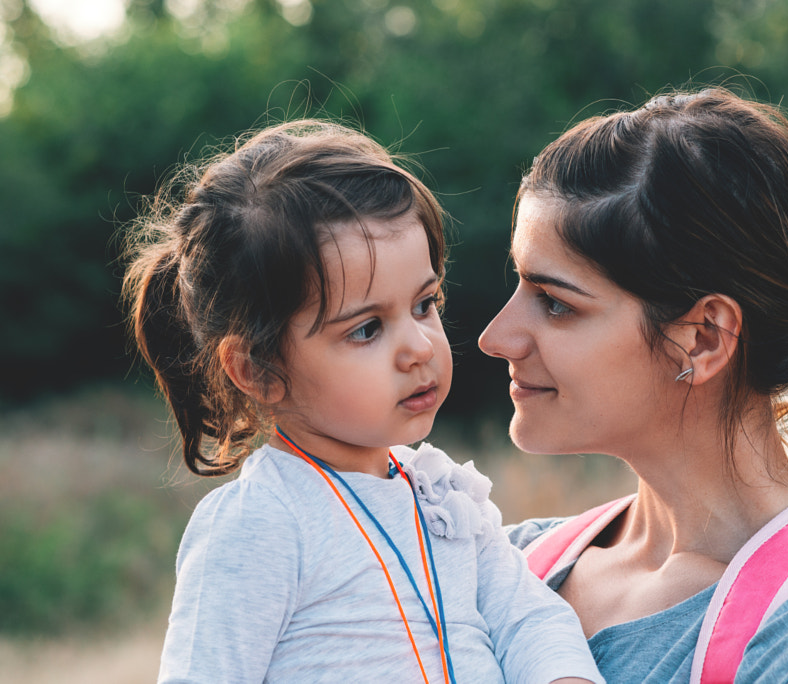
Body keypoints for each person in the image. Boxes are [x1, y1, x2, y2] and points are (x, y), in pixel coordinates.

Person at [123, 119, 603, 684]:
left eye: (425, 304)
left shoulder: (443, 495)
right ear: (257, 370)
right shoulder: (261, 521)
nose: (420, 347)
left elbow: (527, 617)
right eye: (367, 329)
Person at [478, 87, 788, 682]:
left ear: (705, 338)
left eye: (556, 304)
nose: (496, 336)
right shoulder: (504, 567)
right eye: (518, 285)